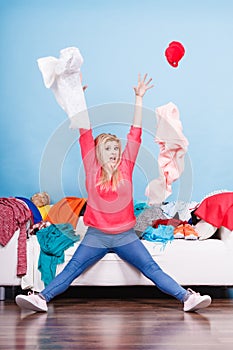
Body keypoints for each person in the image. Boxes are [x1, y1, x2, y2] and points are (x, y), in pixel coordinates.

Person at [15, 73, 211, 313]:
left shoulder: (126, 166)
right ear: (98, 152)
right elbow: (84, 132)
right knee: (72, 268)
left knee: (151, 268)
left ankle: (187, 298)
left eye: (116, 148)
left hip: (125, 236)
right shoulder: (91, 167)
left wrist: (139, 98)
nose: (114, 152)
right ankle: (41, 298)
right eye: (108, 148)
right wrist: (78, 100)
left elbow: (135, 133)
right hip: (96, 235)